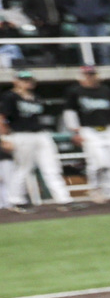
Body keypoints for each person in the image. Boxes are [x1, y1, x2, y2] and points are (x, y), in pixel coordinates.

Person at [61, 66, 110, 206]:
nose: (90, 77)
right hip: (89, 130)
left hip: (109, 129)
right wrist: (75, 131)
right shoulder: (75, 91)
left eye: (92, 74)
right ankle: (96, 188)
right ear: (81, 76)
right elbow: (69, 112)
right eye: (87, 75)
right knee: (98, 163)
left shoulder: (106, 90)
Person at [3, 73, 63, 210]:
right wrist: (4, 138)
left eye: (29, 80)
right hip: (21, 134)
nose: (27, 83)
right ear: (16, 81)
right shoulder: (10, 96)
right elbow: (2, 117)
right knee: (24, 168)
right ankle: (16, 200)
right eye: (24, 80)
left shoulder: (36, 97)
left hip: (40, 134)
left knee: (52, 166)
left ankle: (63, 199)